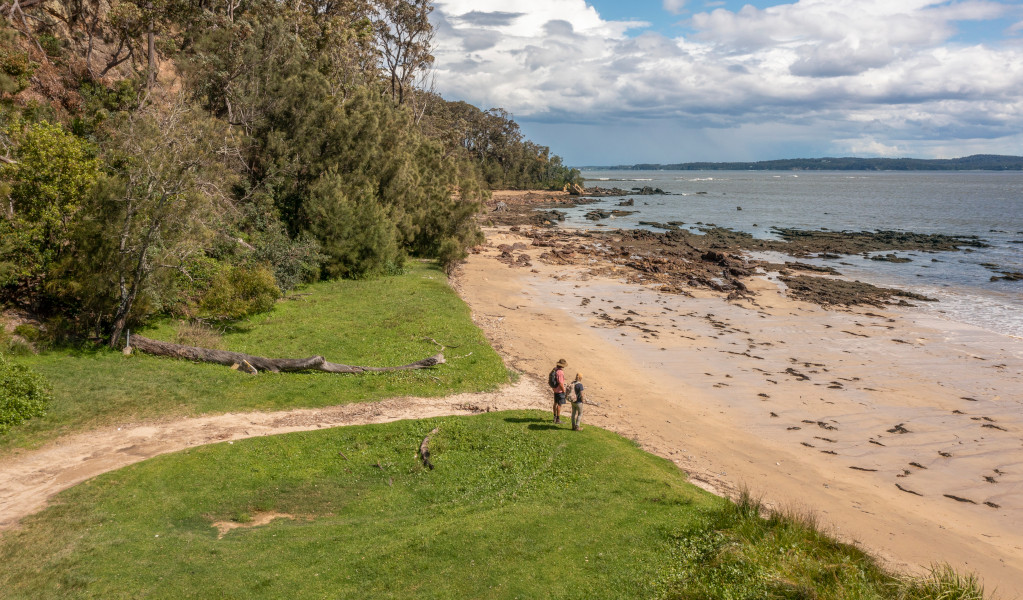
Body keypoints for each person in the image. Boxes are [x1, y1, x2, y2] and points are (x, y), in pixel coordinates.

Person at [550, 358, 567, 424]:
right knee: (559, 405)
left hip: (555, 389)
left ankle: (554, 417)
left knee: (555, 403)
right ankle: (558, 419)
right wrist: (564, 391)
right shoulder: (560, 372)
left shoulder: (555, 369)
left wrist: (553, 387)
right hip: (559, 391)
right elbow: (560, 383)